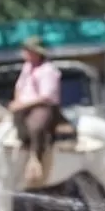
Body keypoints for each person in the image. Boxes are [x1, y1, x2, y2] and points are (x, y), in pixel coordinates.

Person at [9, 36, 63, 186]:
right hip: (25, 106)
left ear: (37, 53)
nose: (25, 54)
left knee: (36, 125)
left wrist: (22, 105)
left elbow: (45, 97)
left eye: (28, 51)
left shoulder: (48, 70)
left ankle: (36, 159)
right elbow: (19, 87)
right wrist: (17, 101)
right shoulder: (27, 68)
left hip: (44, 107)